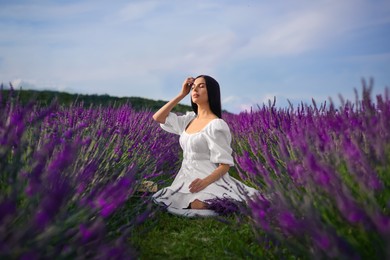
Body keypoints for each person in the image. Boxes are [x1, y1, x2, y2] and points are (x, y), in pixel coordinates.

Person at [152, 75, 257, 217]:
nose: (195, 89)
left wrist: (204, 182)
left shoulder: (216, 125)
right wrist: (182, 94)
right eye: (193, 87)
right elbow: (158, 117)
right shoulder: (188, 120)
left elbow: (224, 165)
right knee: (169, 198)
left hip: (208, 177)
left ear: (212, 92)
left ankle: (230, 201)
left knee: (198, 205)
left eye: (201, 86)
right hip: (185, 177)